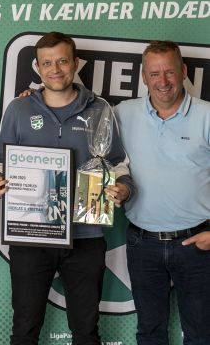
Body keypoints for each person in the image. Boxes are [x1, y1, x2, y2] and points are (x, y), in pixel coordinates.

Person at [0, 32, 134, 345]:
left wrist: (123, 187)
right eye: (47, 63)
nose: (55, 69)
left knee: (86, 331)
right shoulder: (19, 109)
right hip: (30, 236)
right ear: (38, 67)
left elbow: (118, 164)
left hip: (86, 236)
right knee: (24, 330)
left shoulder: (100, 109)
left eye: (62, 61)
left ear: (75, 63)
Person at [115, 40, 210, 344]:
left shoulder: (207, 115)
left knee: (201, 335)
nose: (163, 81)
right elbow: (81, 118)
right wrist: (34, 97)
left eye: (169, 72)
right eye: (154, 74)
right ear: (144, 77)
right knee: (149, 334)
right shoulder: (122, 113)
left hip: (197, 244)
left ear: (183, 71)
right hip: (142, 243)